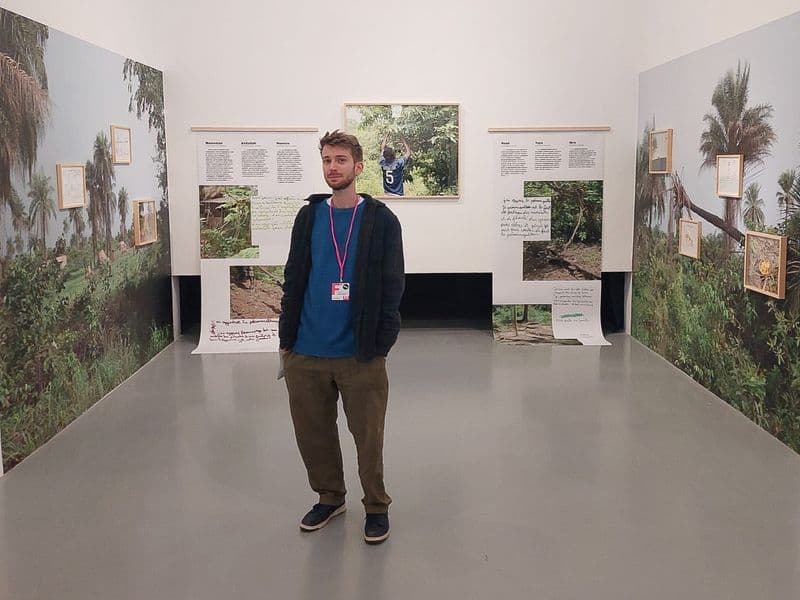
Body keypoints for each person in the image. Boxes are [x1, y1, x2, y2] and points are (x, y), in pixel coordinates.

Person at [279, 130, 405, 545]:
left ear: (359, 166)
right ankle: (330, 497)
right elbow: (294, 277)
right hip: (306, 351)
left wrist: (380, 345)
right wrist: (287, 342)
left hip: (359, 353)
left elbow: (392, 286)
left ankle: (376, 505)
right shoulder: (308, 217)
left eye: (340, 160)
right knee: (313, 434)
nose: (332, 167)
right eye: (327, 160)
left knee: (368, 439)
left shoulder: (381, 220)